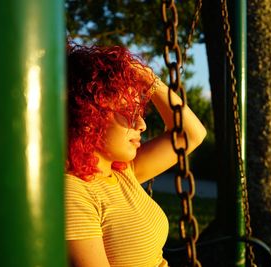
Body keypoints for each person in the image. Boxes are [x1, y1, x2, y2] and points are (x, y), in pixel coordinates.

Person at [65, 44, 206, 267]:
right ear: (89, 118)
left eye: (138, 112)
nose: (141, 124)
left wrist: (150, 80)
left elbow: (191, 134)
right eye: (129, 114)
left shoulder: (123, 172)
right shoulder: (74, 192)